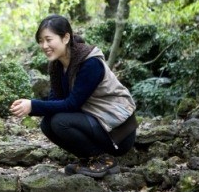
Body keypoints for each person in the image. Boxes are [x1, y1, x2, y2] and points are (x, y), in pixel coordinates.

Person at [10, 14, 138, 178]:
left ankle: (104, 161)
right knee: (47, 124)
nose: (44, 45)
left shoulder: (90, 63)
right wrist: (30, 107)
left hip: (119, 133)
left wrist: (33, 105)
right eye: (41, 41)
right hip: (96, 123)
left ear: (65, 38)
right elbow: (55, 101)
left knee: (59, 122)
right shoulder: (57, 66)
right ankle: (91, 159)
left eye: (49, 39)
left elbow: (72, 104)